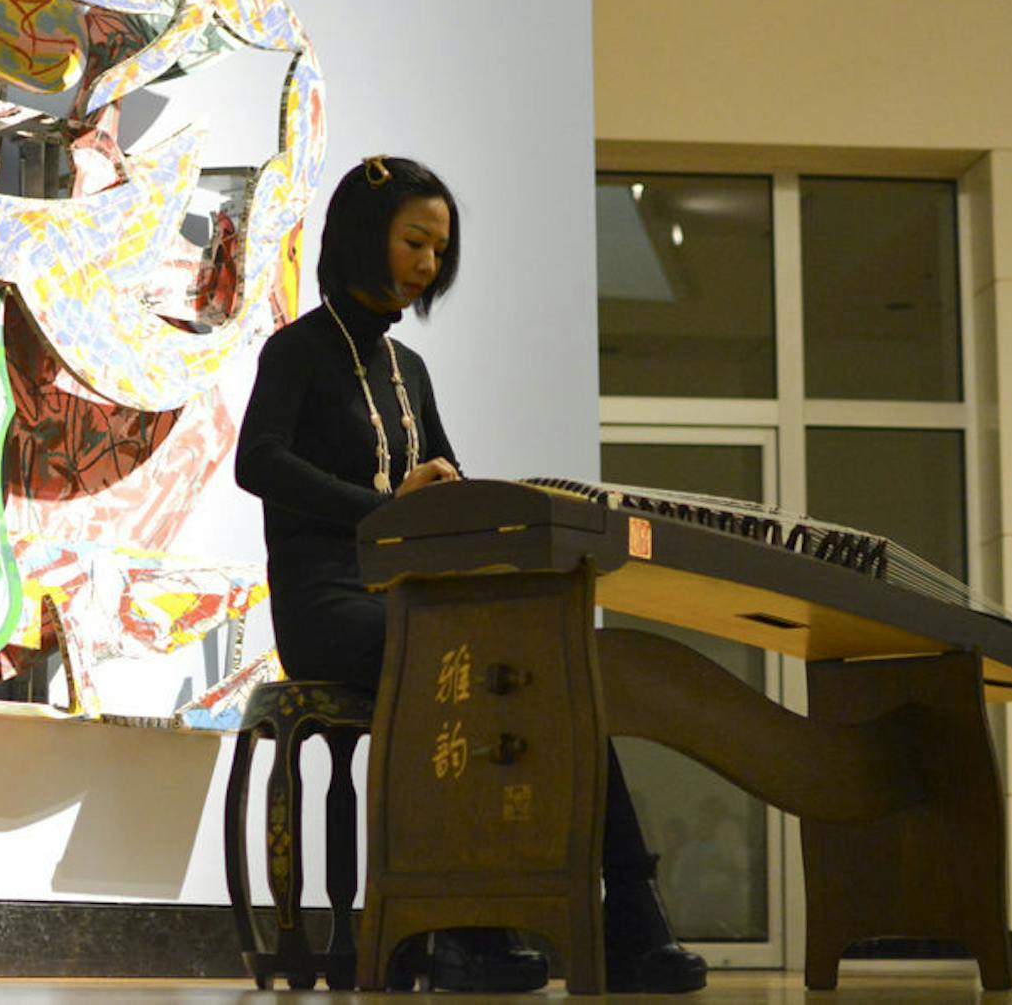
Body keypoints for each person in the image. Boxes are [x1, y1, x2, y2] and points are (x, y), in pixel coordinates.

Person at [235, 155, 708, 994]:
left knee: (556, 670)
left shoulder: (409, 370)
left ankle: (629, 913)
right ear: (362, 237)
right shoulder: (297, 350)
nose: (429, 264)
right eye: (414, 241)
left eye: (440, 250)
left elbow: (448, 483)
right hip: (327, 603)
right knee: (465, 666)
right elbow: (257, 462)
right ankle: (459, 926)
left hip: (411, 603)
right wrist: (384, 507)